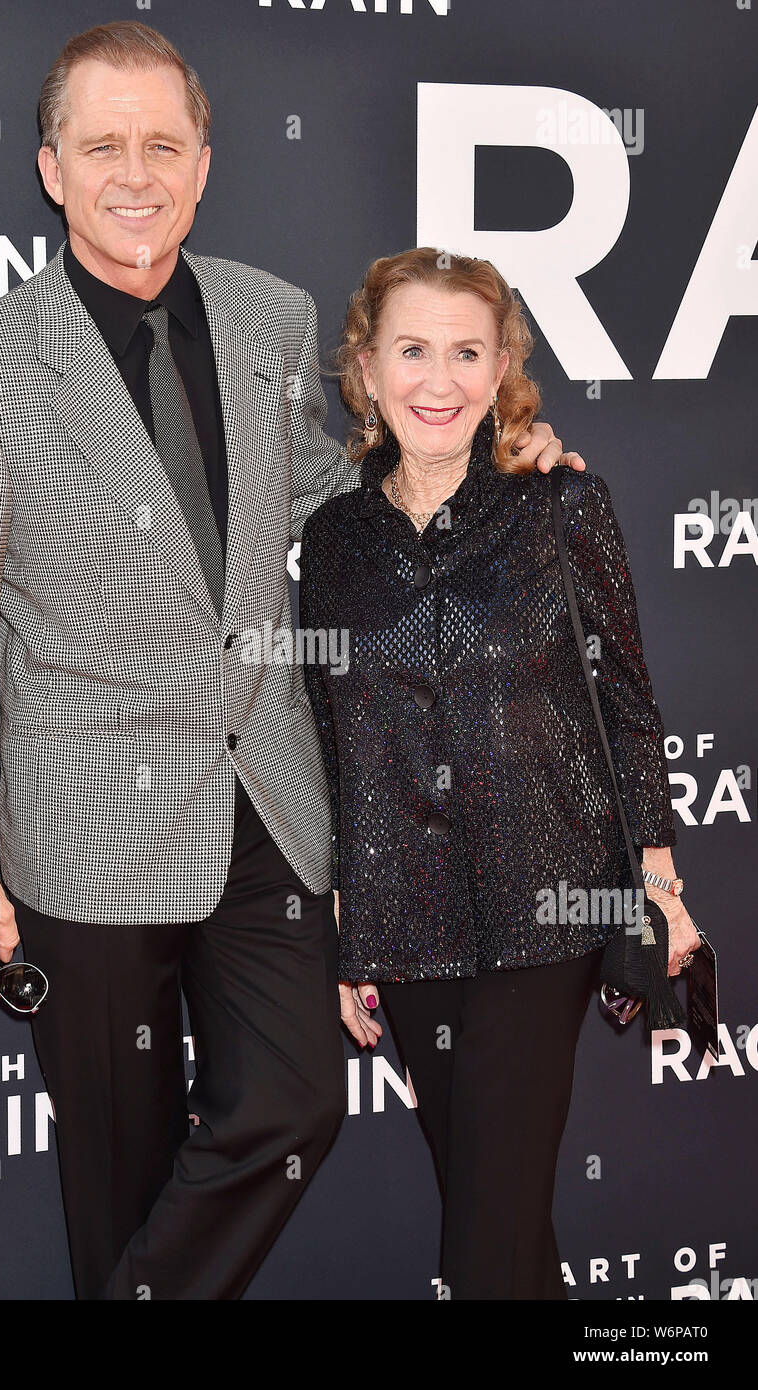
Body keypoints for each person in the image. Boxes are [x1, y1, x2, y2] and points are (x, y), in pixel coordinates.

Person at [0, 22, 584, 1301]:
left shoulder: (269, 315)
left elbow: (324, 493)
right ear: (51, 168)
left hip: (263, 800)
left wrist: (486, 463)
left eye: (163, 143)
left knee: (290, 1105)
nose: (135, 172)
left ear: (203, 163)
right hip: (85, 826)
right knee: (120, 1173)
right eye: (103, 144)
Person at [299, 248, 700, 1300]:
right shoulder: (331, 542)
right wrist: (347, 914)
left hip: (549, 901)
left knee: (479, 1246)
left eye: (465, 352)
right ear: (367, 367)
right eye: (413, 350)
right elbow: (334, 734)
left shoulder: (559, 507)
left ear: (501, 366)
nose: (439, 380)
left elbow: (623, 700)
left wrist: (658, 885)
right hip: (405, 918)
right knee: (504, 1230)